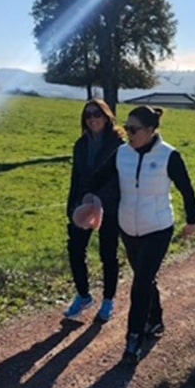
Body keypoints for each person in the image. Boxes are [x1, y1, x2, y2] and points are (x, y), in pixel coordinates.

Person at [80, 105, 195, 364]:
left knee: (141, 283)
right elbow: (98, 177)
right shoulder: (122, 153)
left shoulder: (169, 156)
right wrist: (87, 200)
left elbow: (187, 190)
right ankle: (155, 319)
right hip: (128, 227)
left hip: (157, 228)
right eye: (127, 128)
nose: (128, 133)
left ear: (149, 130)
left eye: (133, 129)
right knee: (144, 278)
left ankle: (133, 340)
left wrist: (192, 219)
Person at [63, 100, 125, 322]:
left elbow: (119, 178)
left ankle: (108, 300)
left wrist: (102, 198)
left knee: (108, 253)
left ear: (107, 116)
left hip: (109, 205)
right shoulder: (80, 144)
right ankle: (83, 295)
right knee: (75, 248)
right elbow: (76, 177)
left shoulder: (118, 143)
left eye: (97, 114)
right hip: (83, 203)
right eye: (88, 115)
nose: (92, 119)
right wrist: (72, 206)